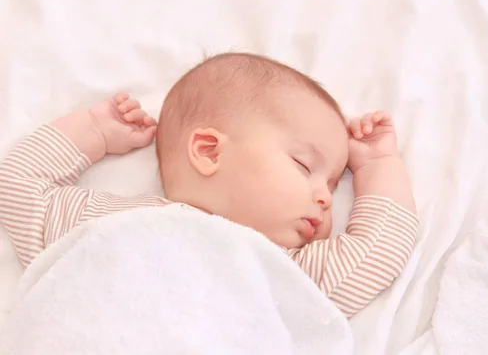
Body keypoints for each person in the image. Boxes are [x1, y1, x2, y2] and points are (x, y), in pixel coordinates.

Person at [0, 52, 418, 317]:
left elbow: (375, 252)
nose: (326, 197)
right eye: (302, 164)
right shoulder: (109, 223)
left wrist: (376, 166)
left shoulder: (281, 267)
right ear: (209, 152)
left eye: (331, 181)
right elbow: (19, 185)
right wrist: (91, 131)